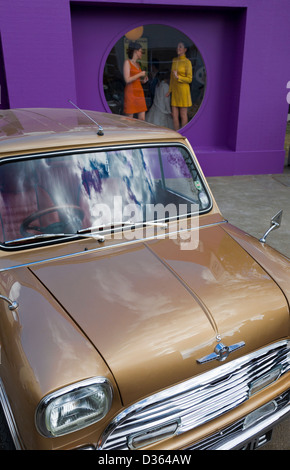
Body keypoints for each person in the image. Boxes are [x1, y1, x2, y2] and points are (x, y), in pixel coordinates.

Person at [167, 42, 192, 130]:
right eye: (177, 47)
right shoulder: (174, 60)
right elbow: (171, 77)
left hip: (183, 91)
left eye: (180, 47)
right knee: (174, 115)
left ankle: (184, 134)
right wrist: (169, 90)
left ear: (185, 50)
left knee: (183, 114)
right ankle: (176, 133)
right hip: (175, 90)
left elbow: (189, 79)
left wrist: (179, 77)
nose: (178, 48)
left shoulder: (187, 62)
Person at [123, 42, 148, 120]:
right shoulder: (127, 62)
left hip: (139, 92)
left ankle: (141, 132)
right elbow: (127, 79)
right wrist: (140, 74)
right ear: (136, 51)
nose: (141, 53)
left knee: (142, 118)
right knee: (130, 119)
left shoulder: (137, 64)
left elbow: (135, 79)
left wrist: (143, 81)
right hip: (131, 92)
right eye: (141, 51)